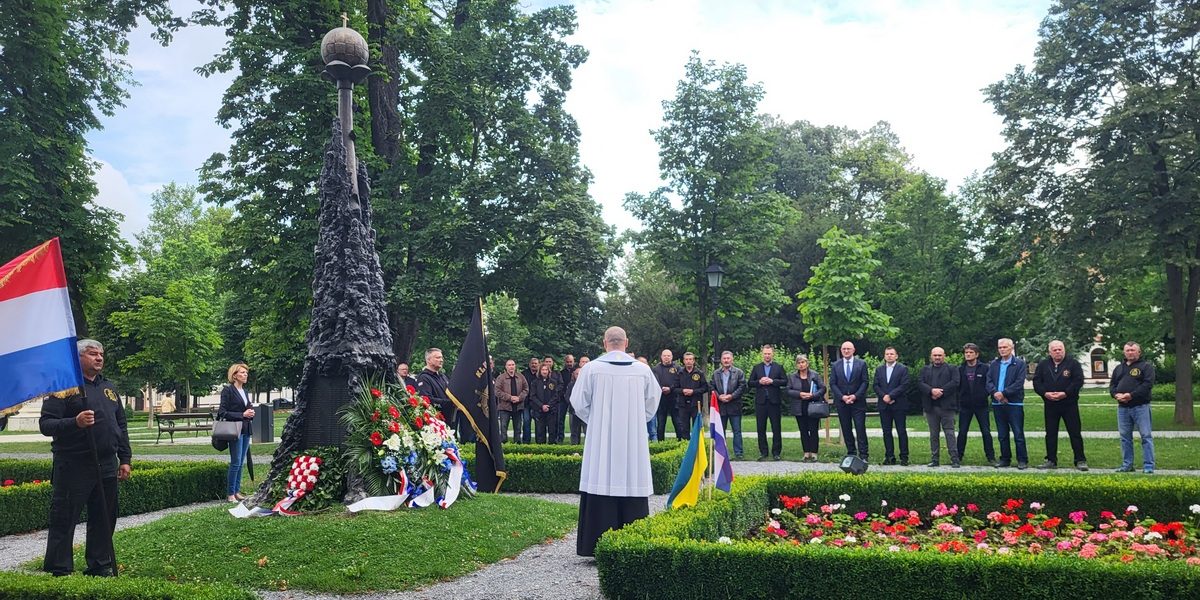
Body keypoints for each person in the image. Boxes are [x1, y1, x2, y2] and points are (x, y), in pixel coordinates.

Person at [40, 339, 131, 577]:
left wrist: (125, 458)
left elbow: (120, 424)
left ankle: (99, 564)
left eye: (101, 354)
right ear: (78, 357)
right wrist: (75, 422)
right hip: (74, 464)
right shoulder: (62, 387)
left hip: (106, 463)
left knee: (104, 516)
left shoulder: (108, 388)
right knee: (65, 517)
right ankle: (60, 567)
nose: (99, 358)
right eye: (93, 354)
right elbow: (46, 424)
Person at [570, 326, 659, 557]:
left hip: (601, 440)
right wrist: (637, 420)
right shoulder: (643, 370)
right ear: (626, 343)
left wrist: (597, 421)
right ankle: (634, 543)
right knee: (632, 476)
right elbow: (652, 403)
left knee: (601, 476)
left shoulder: (590, 369)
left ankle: (595, 544)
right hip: (633, 440)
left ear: (604, 343)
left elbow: (578, 402)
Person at [1032, 340, 1088, 470]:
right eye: (1055, 350)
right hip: (1050, 404)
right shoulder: (1043, 365)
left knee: (1074, 432)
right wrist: (1045, 393)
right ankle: (1051, 460)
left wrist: (1065, 393)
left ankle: (1080, 460)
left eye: (1060, 349)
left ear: (1064, 350)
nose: (1058, 352)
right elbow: (1037, 382)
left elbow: (1078, 381)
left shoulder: (1073, 364)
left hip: (1069, 404)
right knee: (1050, 433)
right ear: (1050, 352)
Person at [1110, 341, 1155, 474]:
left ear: (1139, 352)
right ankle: (1127, 464)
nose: (1130, 352)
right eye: (1128, 350)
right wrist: (1115, 395)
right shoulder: (1119, 368)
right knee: (1125, 437)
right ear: (1124, 352)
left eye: (1133, 350)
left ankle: (1148, 466)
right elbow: (1112, 385)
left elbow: (1147, 385)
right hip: (1122, 408)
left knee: (1146, 436)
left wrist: (1131, 395)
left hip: (1140, 407)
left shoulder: (1146, 367)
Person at [987, 338, 1028, 469]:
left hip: (1014, 403)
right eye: (1000, 347)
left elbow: (1019, 382)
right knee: (1002, 434)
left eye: (1005, 347)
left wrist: (1004, 393)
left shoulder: (1019, 364)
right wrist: (995, 394)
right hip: (998, 404)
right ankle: (1005, 459)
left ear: (1012, 348)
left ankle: (1022, 460)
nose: (1002, 350)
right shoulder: (994, 364)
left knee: (1018, 433)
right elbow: (988, 381)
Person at [218, 363, 256, 501]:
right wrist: (242, 414)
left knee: (241, 462)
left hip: (246, 429)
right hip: (235, 430)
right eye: (242, 372)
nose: (245, 375)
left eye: (246, 373)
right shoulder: (228, 391)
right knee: (236, 461)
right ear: (234, 375)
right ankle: (230, 494)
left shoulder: (244, 392)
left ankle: (237, 491)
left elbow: (247, 407)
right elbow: (222, 412)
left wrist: (251, 412)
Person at [918, 347, 961, 468]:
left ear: (944, 356)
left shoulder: (952, 369)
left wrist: (941, 392)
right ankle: (935, 459)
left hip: (947, 407)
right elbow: (920, 383)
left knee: (950, 433)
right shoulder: (925, 369)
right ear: (931, 356)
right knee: (933, 434)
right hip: (931, 407)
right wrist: (931, 391)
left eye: (940, 355)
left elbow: (955, 382)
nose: (937, 357)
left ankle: (954, 459)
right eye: (935, 355)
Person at [830, 341, 870, 462]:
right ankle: (851, 452)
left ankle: (863, 455)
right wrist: (842, 397)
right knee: (846, 428)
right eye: (844, 349)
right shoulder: (835, 365)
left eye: (848, 349)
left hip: (858, 402)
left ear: (853, 350)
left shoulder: (861, 364)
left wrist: (855, 396)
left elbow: (865, 382)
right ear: (841, 350)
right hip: (842, 403)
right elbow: (833, 383)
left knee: (860, 428)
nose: (846, 351)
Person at [957, 343, 996, 466]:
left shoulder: (985, 368)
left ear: (977, 354)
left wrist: (984, 394)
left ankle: (990, 456)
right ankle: (958, 456)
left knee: (985, 431)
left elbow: (989, 383)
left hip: (981, 405)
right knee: (962, 432)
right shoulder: (960, 369)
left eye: (971, 352)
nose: (968, 354)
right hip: (965, 405)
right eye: (966, 352)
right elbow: (957, 386)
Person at [748, 344, 787, 461]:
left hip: (774, 401)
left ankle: (776, 452)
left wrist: (772, 381)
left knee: (776, 428)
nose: (767, 356)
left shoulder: (778, 367)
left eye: (769, 353)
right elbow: (750, 382)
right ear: (762, 354)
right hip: (761, 402)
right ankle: (763, 452)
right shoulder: (757, 367)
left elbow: (785, 381)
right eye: (765, 354)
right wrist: (759, 382)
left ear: (772, 354)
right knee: (761, 428)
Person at [873, 347, 910, 466]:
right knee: (886, 431)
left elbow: (904, 385)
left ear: (896, 356)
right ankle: (889, 456)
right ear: (884, 356)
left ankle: (904, 456)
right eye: (887, 354)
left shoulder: (903, 369)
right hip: (884, 405)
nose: (889, 356)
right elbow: (876, 385)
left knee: (901, 431)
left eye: (891, 354)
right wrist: (884, 396)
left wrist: (891, 396)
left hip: (898, 404)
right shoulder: (879, 369)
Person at [786, 354, 826, 463]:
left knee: (813, 430)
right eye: (799, 363)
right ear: (796, 365)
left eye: (803, 362)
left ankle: (814, 453)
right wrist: (800, 394)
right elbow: (788, 390)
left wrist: (813, 395)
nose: (801, 365)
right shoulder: (792, 377)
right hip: (799, 407)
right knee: (803, 431)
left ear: (807, 363)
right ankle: (806, 452)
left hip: (813, 406)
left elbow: (823, 388)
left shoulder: (814, 375)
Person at [710, 351, 746, 459]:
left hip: (734, 405)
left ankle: (738, 453)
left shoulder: (738, 372)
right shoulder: (716, 373)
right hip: (720, 406)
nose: (726, 360)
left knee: (737, 430)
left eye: (728, 358)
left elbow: (742, 386)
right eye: (724, 358)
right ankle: (721, 452)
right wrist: (719, 396)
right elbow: (711, 387)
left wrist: (731, 396)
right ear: (721, 360)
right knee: (721, 430)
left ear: (732, 359)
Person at [416, 348, 457, 431]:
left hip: (449, 419)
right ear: (428, 360)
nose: (441, 360)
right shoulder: (424, 378)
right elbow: (427, 400)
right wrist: (451, 403)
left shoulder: (443, 377)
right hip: (435, 422)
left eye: (441, 357)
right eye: (437, 358)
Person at [672, 352, 708, 440]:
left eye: (690, 359)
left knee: (696, 427)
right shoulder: (679, 373)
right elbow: (674, 388)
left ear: (693, 361)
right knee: (684, 428)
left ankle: (697, 447)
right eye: (687, 359)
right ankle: (686, 446)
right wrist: (682, 391)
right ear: (683, 361)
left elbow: (705, 388)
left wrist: (693, 391)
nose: (688, 361)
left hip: (696, 404)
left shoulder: (699, 373)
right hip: (682, 404)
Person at [495, 359, 528, 443]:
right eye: (509, 365)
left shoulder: (521, 377)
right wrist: (510, 398)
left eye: (513, 365)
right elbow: (497, 391)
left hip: (518, 406)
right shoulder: (501, 378)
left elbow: (526, 389)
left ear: (515, 366)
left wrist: (519, 398)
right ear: (506, 367)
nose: (511, 367)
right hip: (505, 407)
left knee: (518, 428)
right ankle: (504, 444)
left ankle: (517, 444)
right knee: (503, 427)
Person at [651, 350, 681, 441]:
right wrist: (661, 388)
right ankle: (661, 443)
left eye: (668, 356)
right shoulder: (656, 369)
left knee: (677, 423)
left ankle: (680, 442)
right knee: (661, 424)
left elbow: (679, 381)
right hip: (661, 399)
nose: (666, 357)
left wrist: (670, 388)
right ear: (661, 357)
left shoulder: (678, 368)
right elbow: (654, 382)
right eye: (664, 356)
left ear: (672, 357)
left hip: (674, 399)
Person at [529, 364, 560, 443]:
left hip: (551, 410)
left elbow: (556, 395)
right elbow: (533, 396)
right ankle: (541, 448)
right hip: (539, 410)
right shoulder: (535, 382)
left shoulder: (553, 382)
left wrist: (548, 405)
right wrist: (541, 405)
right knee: (540, 431)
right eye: (543, 370)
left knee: (552, 431)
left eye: (546, 370)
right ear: (540, 371)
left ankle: (552, 448)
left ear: (549, 371)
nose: (544, 371)